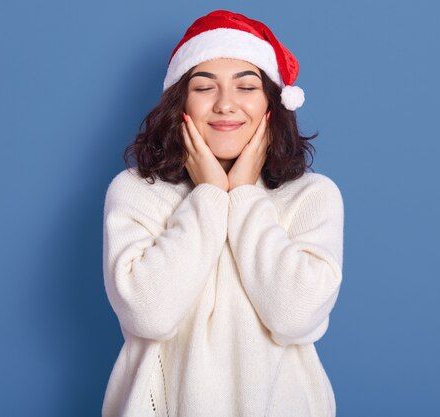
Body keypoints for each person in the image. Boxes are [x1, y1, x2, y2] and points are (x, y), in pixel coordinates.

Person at [101, 9, 344, 417]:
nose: (226, 104)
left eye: (246, 86)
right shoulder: (136, 192)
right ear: (181, 103)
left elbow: (295, 318)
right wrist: (211, 194)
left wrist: (245, 196)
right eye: (204, 87)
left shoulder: (312, 196)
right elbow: (149, 314)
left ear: (271, 103)